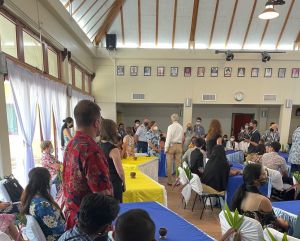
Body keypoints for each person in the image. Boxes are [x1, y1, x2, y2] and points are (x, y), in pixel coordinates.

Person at [63, 100, 112, 229]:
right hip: (90, 224)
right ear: (96, 123)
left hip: (73, 217)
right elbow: (102, 195)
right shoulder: (91, 150)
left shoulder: (71, 144)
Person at [231, 164, 288, 232]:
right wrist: (284, 223)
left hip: (246, 233)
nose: (266, 176)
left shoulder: (239, 194)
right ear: (255, 180)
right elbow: (272, 224)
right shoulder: (263, 200)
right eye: (264, 174)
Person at [21, 167, 65, 240]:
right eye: (49, 178)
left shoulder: (33, 198)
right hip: (57, 238)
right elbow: (57, 229)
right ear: (44, 181)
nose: (51, 180)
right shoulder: (42, 204)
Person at [100, 119, 126, 203]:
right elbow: (120, 172)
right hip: (113, 182)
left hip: (101, 182)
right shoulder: (113, 149)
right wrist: (124, 183)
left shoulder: (97, 145)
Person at [165, 113, 184, 185]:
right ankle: (177, 181)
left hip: (171, 146)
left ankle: (170, 181)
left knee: (169, 164)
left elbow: (168, 138)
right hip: (179, 145)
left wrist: (166, 148)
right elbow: (182, 137)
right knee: (178, 165)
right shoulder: (181, 127)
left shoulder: (170, 127)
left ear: (172, 119)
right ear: (177, 119)